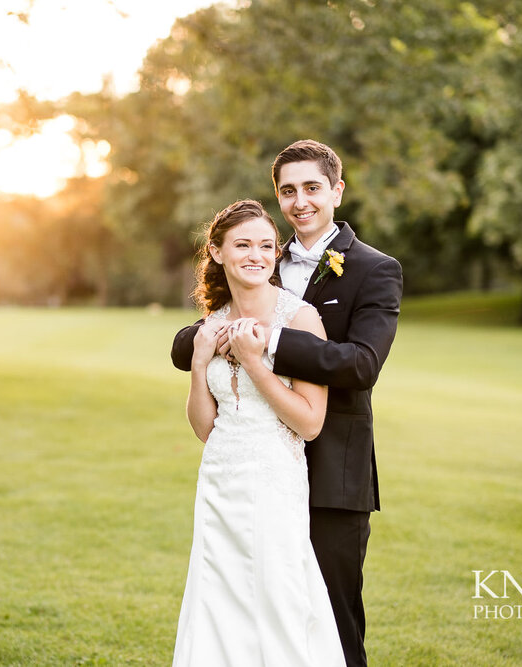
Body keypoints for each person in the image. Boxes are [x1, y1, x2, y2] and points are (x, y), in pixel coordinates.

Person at [171, 140, 402, 667]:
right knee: (242, 610)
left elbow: (362, 364)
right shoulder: (263, 254)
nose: (301, 201)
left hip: (333, 472)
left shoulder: (374, 269)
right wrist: (207, 340)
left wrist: (266, 345)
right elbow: (195, 338)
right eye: (288, 190)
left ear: (337, 191)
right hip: (250, 466)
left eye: (313, 188)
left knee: (328, 621)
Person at [172, 199, 345, 667]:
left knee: (277, 591)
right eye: (243, 244)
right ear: (217, 251)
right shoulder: (210, 324)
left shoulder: (301, 318)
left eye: (267, 245)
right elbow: (206, 427)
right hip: (219, 477)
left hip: (274, 477)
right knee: (217, 594)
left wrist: (253, 361)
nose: (257, 255)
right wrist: (199, 362)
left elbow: (310, 423)